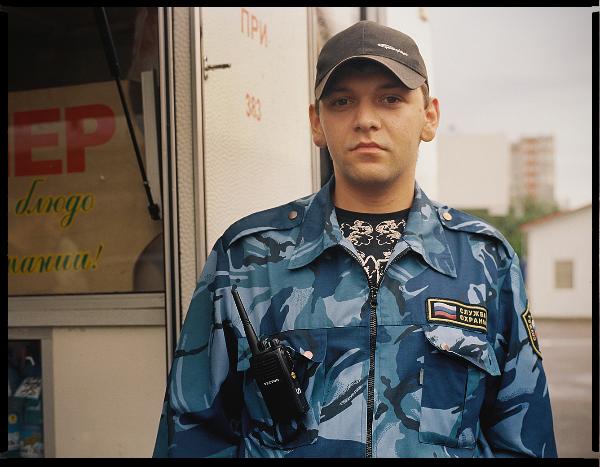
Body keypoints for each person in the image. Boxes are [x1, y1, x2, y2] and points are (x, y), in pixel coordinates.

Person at [153, 20, 557, 458]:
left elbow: (524, 436)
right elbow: (192, 434)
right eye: (342, 101)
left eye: (391, 98)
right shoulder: (246, 257)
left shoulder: (484, 261)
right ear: (317, 123)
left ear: (429, 117)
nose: (366, 120)